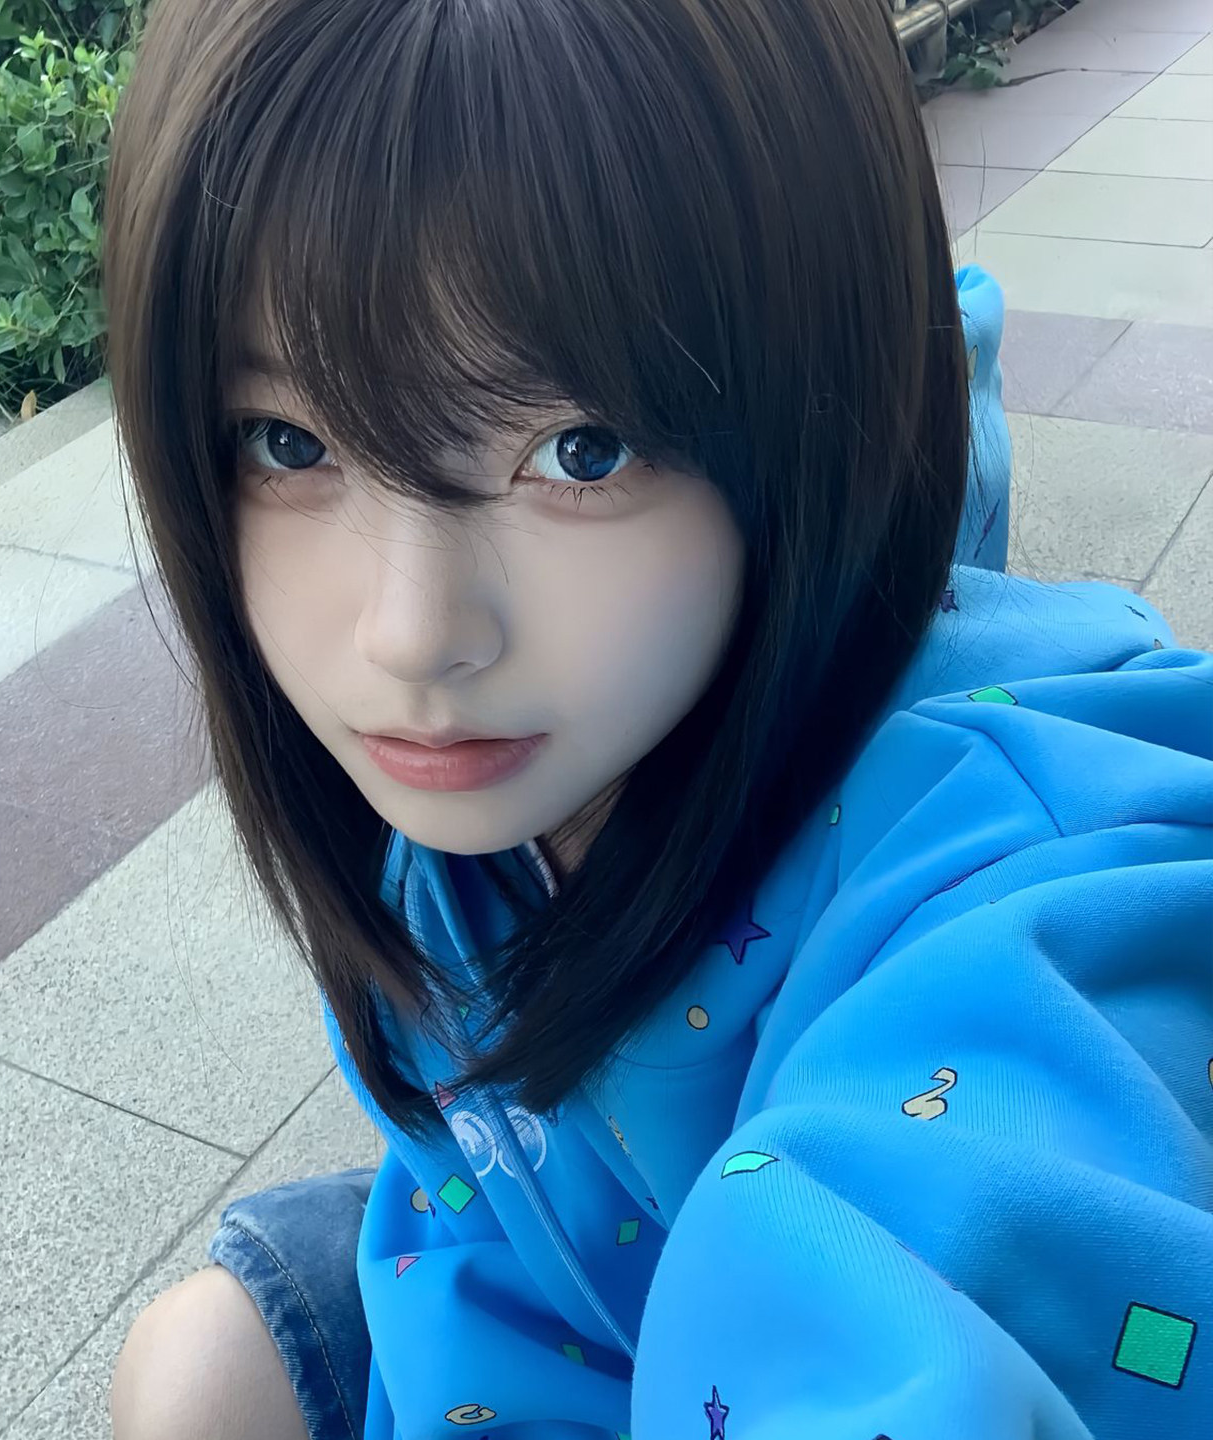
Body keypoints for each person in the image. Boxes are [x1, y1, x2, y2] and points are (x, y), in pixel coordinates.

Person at [99, 1, 1212, 1437]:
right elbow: (480, 1216)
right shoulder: (512, 786)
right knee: (196, 1371)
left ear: (815, 412)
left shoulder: (1021, 877)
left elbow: (959, 1274)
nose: (411, 632)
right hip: (551, 1291)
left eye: (581, 449)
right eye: (291, 442)